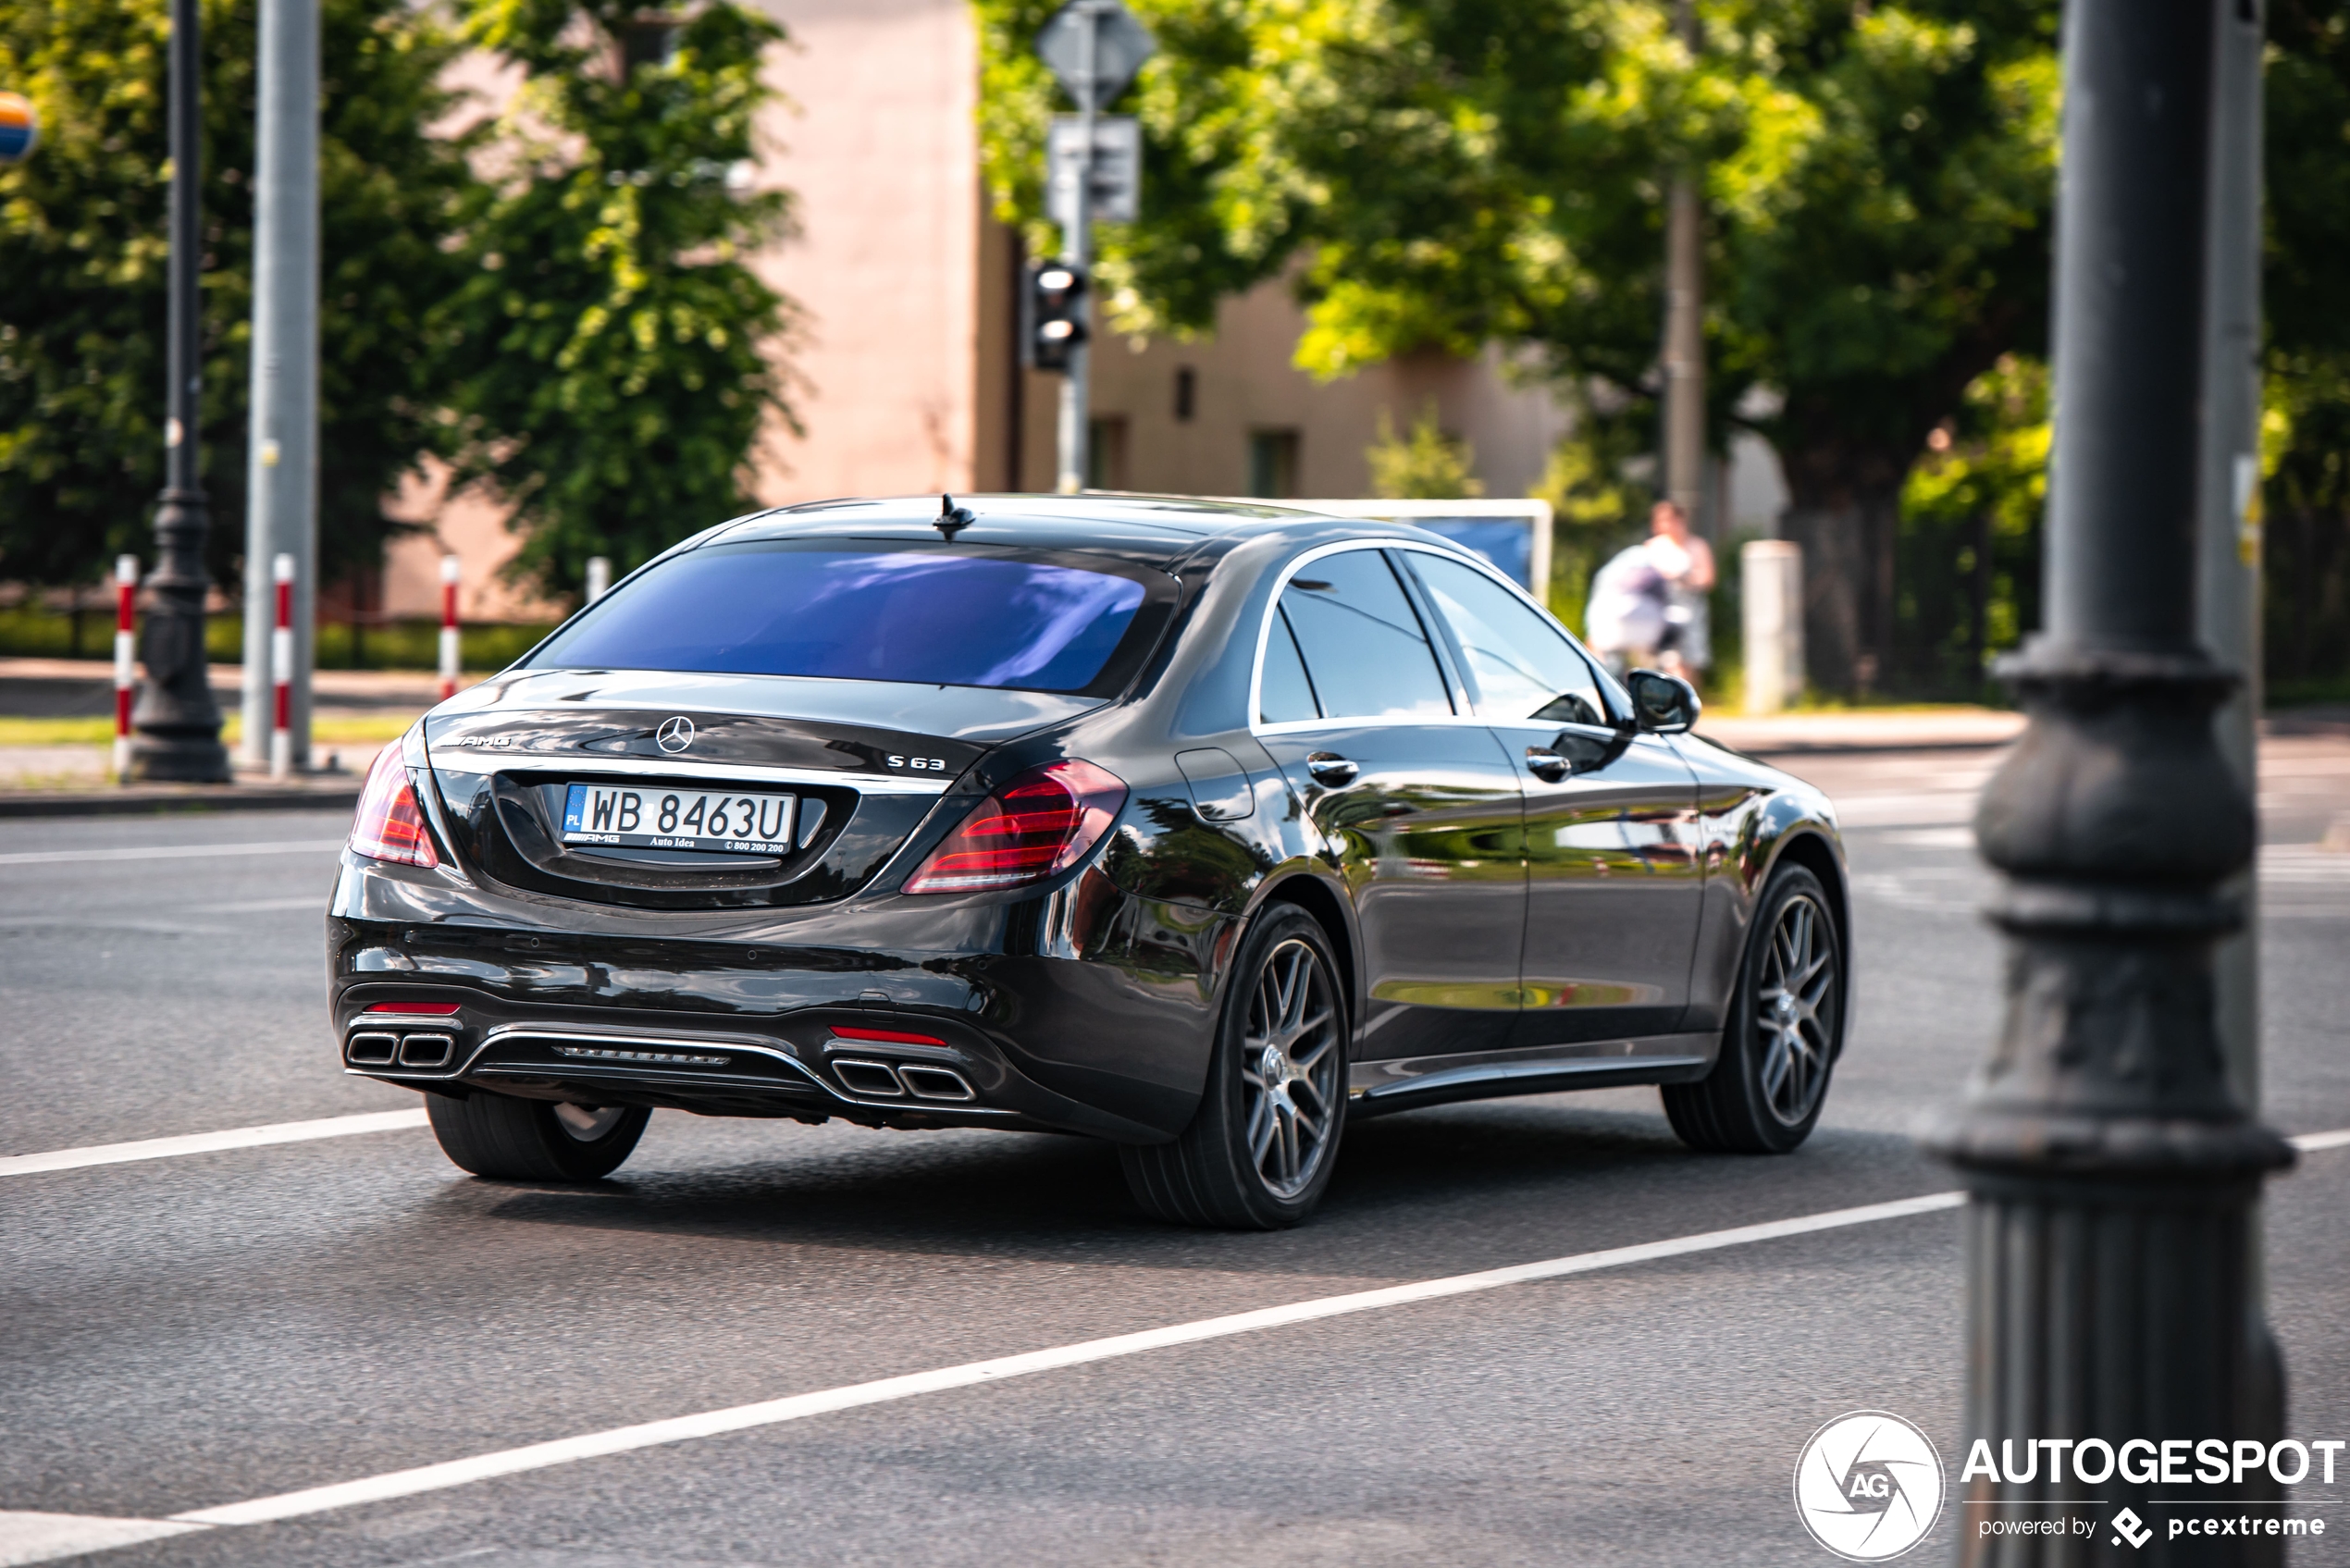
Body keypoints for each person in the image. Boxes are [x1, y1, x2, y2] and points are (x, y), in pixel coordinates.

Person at [1584, 500, 1716, 681]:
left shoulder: (1696, 546)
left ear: (1680, 521)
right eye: (1660, 521)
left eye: (1669, 520)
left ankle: (1687, 698)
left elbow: (1707, 579)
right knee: (1668, 659)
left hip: (1689, 609)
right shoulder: (1652, 547)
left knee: (1690, 660)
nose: (1664, 525)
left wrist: (1682, 576)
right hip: (1657, 611)